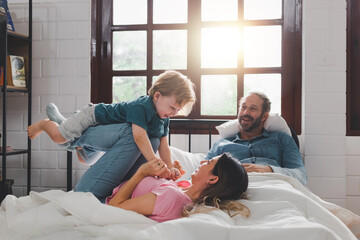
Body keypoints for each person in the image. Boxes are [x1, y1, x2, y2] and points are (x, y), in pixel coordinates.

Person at [28, 70, 196, 181]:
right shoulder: (142, 106)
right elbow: (138, 136)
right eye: (172, 108)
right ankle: (45, 124)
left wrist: (170, 166)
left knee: (85, 159)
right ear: (157, 96)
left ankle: (63, 122)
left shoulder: (163, 118)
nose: (174, 113)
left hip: (103, 135)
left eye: (178, 110)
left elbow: (164, 146)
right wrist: (154, 161)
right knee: (59, 137)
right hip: (93, 117)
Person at [106, 153, 250, 222]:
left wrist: (142, 172)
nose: (202, 161)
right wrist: (166, 178)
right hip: (119, 180)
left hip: (106, 192)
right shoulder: (184, 188)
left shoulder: (171, 197)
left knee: (140, 135)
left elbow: (114, 206)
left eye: (209, 162)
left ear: (212, 179)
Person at [205, 92, 308, 186]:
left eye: (252, 109)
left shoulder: (282, 139)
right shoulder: (221, 145)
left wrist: (268, 170)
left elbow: (301, 176)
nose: (245, 112)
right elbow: (201, 174)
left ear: (264, 116)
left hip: (275, 188)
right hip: (234, 192)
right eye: (243, 107)